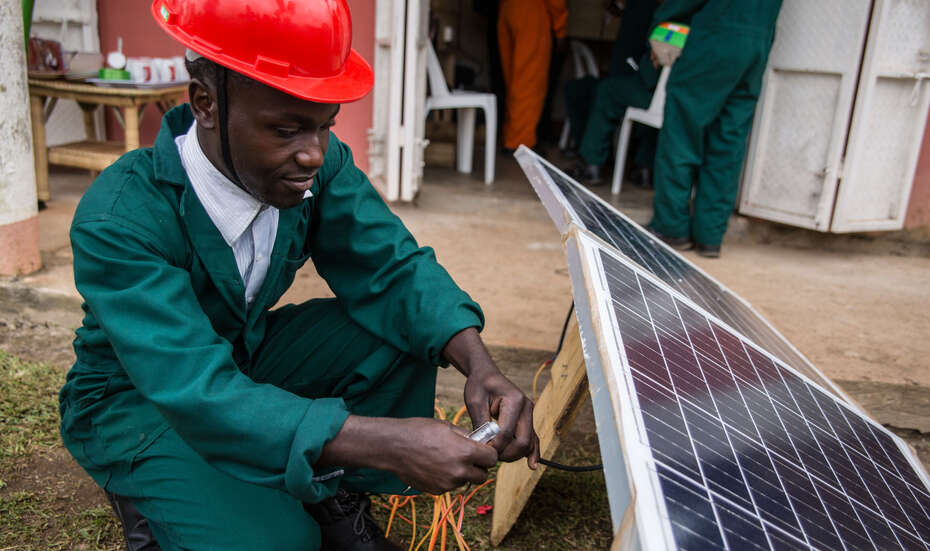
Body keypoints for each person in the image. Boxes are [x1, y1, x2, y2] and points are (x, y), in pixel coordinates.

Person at [58, 2, 539, 550]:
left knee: (400, 331)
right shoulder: (122, 217)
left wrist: (479, 364)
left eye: (325, 126)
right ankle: (149, 492)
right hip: (139, 399)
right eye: (286, 129)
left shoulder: (308, 167)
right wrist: (381, 440)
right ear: (206, 103)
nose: (313, 153)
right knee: (280, 542)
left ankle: (330, 490)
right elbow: (194, 388)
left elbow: (393, 268)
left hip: (240, 360)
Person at [647, 0, 783, 257]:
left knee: (682, 136)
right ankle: (710, 236)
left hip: (713, 36)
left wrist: (659, 26)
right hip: (757, 44)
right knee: (729, 141)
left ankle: (671, 227)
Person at [564, 0, 660, 187]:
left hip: (653, 90)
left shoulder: (649, 9)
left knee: (604, 90)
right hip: (671, 92)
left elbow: (641, 70)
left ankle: (592, 163)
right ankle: (643, 168)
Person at [497, 0, 568, 152]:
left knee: (513, 82)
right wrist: (560, 29)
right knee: (528, 82)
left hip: (507, 9)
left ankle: (511, 136)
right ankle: (520, 143)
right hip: (531, 12)